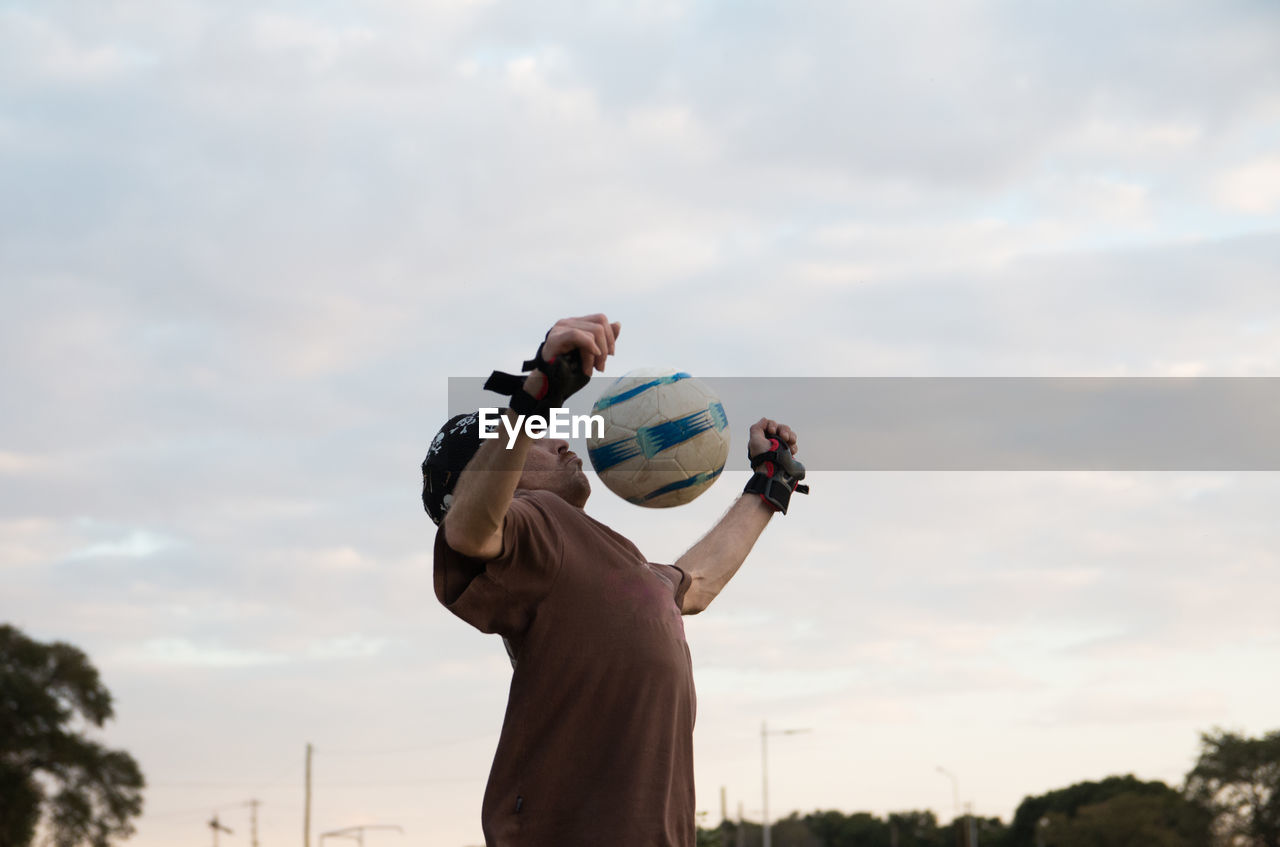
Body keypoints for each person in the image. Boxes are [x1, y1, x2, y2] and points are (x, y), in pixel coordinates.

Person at [423, 314, 806, 847]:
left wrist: (770, 483)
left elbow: (695, 583)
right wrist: (535, 395)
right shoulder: (531, 529)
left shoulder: (604, 556)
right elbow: (468, 530)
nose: (556, 439)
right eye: (532, 436)